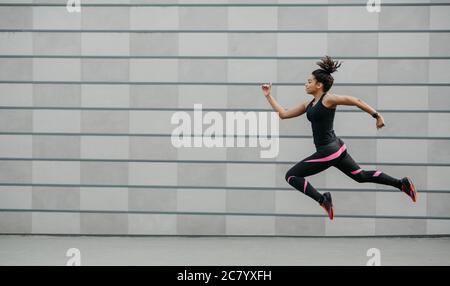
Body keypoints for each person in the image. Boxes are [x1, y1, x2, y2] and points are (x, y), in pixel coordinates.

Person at [261, 56, 417, 220]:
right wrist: (268, 96)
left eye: (309, 81)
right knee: (361, 176)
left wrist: (376, 115)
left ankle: (323, 199)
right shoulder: (309, 105)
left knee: (291, 176)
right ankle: (401, 183)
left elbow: (355, 100)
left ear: (319, 85)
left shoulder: (328, 99)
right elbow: (284, 114)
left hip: (328, 151)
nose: (306, 84)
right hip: (337, 149)